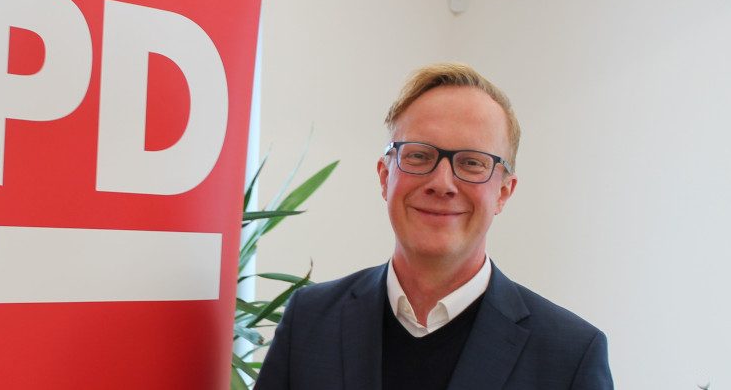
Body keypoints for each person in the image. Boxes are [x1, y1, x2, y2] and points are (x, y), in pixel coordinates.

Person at [254, 63, 613, 389]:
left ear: (503, 192)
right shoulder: (309, 322)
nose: (442, 183)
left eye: (472, 162)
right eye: (419, 155)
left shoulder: (570, 358)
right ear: (385, 177)